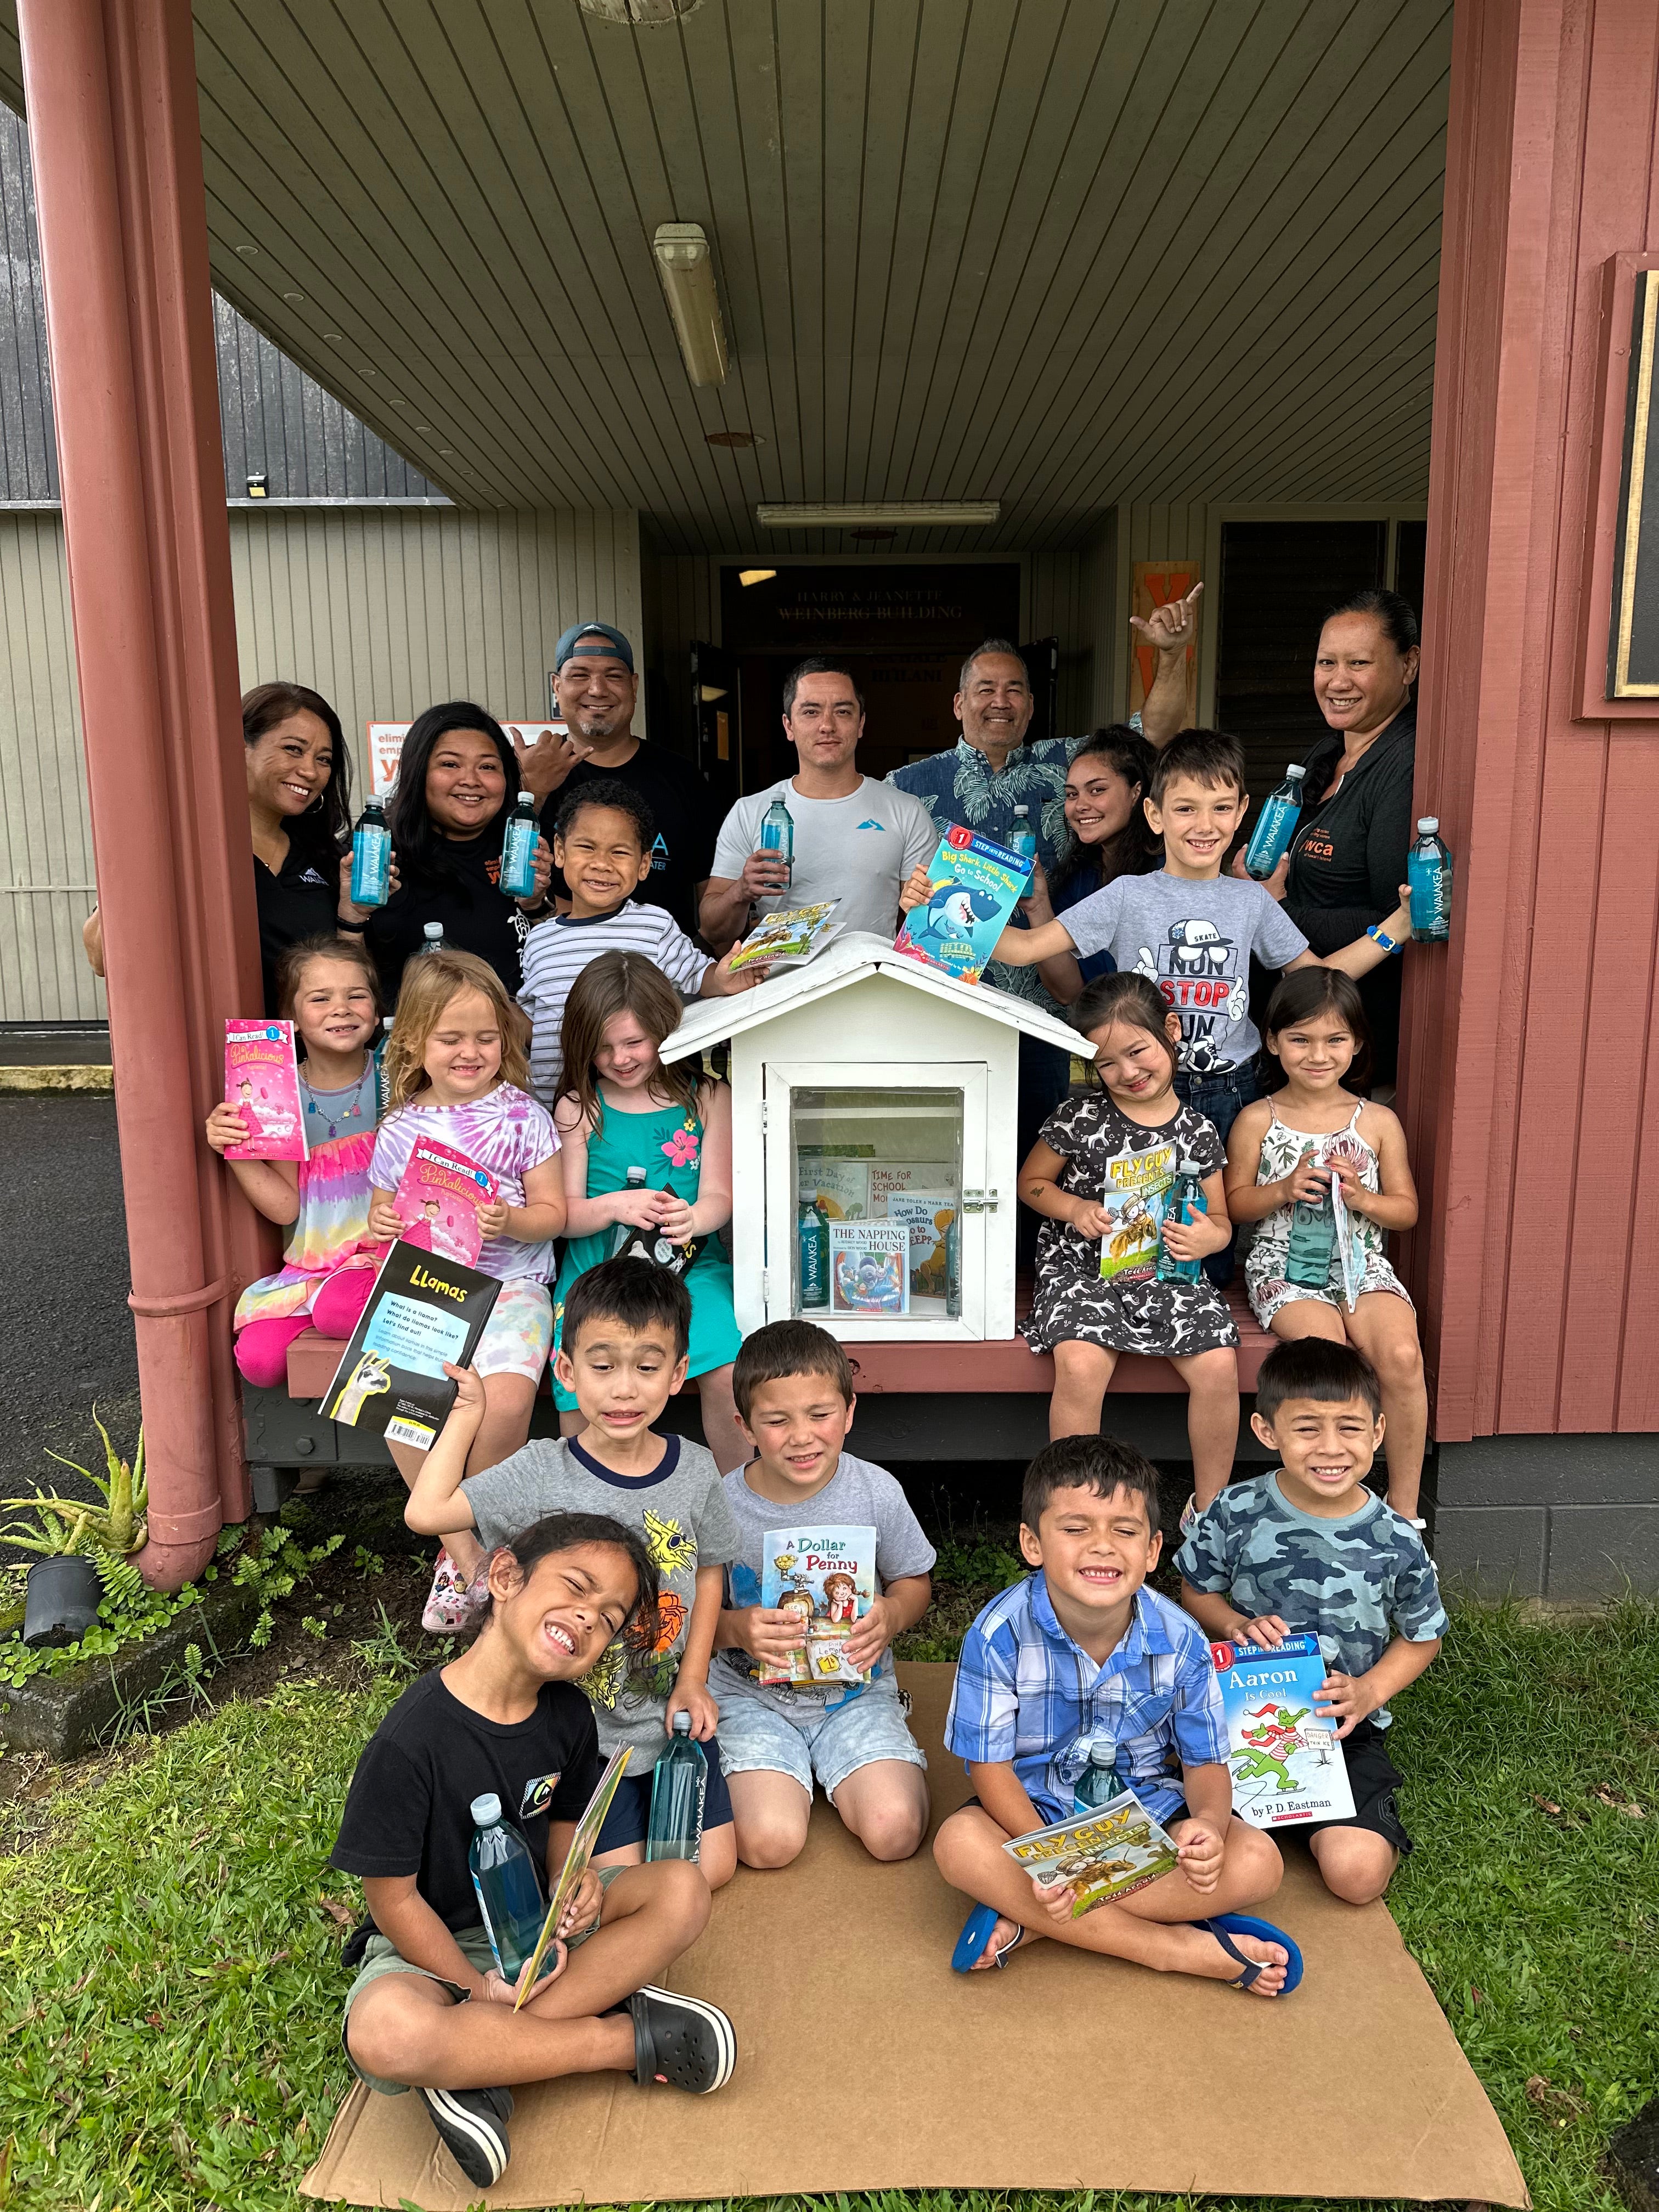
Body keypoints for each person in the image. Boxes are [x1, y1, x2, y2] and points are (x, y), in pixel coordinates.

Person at [332, 1510, 736, 2192]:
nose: (587, 1619)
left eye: (608, 1619)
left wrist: (575, 1881)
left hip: (537, 1930)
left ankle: (476, 2063)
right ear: (506, 1576)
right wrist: (469, 1982)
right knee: (387, 2033)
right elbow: (394, 1899)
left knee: (682, 1888)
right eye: (576, 1588)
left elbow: (564, 1830)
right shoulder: (410, 1741)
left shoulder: (571, 1717)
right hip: (433, 1946)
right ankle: (618, 2044)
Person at [962, 728, 1416, 1283]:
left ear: (1242, 810)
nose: (1205, 826)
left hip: (1232, 1088)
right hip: (1148, 1090)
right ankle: (1149, 1317)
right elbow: (1029, 946)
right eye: (1186, 809)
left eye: (1222, 808)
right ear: (1154, 815)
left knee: (1216, 1240)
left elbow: (1318, 977)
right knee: (1146, 1235)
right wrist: (938, 906)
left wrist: (1396, 928)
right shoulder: (1128, 894)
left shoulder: (1248, 900)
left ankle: (1207, 1323)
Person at [405, 1259, 743, 1889]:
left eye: (646, 1368)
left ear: (677, 1375)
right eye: (602, 1365)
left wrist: (694, 1680)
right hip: (578, 1741)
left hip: (668, 1720)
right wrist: (466, 1414)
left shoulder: (696, 1470)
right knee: (621, 1884)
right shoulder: (542, 1470)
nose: (624, 1390)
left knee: (713, 1869)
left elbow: (709, 1572)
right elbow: (426, 1512)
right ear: (565, 1372)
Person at [933, 1436, 1297, 1994]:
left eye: (1124, 1531)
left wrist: (1209, 1827)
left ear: (1152, 1551)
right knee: (958, 1845)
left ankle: (1037, 1927)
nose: (1102, 1547)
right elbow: (990, 1769)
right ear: (1033, 1543)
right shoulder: (997, 1634)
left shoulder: (1182, 1640)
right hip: (1036, 1814)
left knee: (1258, 1861)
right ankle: (1175, 1949)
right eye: (1076, 1529)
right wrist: (1050, 1861)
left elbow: (1204, 1763)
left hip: (1146, 1818)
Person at [1176, 1339, 1447, 1906]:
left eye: (1350, 1428)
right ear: (1267, 1430)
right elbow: (1196, 1589)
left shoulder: (1395, 1538)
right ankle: (1268, 1823)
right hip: (1241, 1721)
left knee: (1357, 1876)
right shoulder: (1235, 1511)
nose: (1331, 1448)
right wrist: (1229, 1624)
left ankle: (1322, 1821)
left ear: (1378, 1432)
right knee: (1203, 1847)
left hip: (1343, 1726)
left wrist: (1370, 1690)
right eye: (1307, 1429)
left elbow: (1424, 1636)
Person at [366, 951, 565, 1630]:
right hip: (428, 1283)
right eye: (452, 1039)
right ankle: (464, 1552)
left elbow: (554, 1214)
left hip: (513, 1282)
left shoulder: (522, 1117)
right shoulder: (399, 1128)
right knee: (392, 1392)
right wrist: (385, 1220)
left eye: (486, 1037)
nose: (471, 1052)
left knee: (506, 1403)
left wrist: (511, 1219)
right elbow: (381, 1213)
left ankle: (485, 1535)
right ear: (416, 1041)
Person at [712, 1320, 935, 1871]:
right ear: (745, 1427)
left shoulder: (876, 1491)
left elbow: (915, 1581)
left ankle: (846, 1764)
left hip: (856, 1693)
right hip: (750, 1697)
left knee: (895, 1831)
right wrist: (736, 1630)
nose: (802, 1435)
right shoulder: (719, 1505)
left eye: (820, 1414)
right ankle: (786, 1775)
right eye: (777, 1420)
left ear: (850, 1412)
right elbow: (691, 1615)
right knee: (768, 1843)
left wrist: (892, 1615)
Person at [1019, 973, 1239, 1510]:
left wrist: (1205, 1238)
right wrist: (1075, 1209)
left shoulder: (1198, 1131)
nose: (1127, 1072)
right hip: (1083, 1269)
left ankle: (1210, 1509)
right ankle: (1073, 1500)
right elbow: (1032, 1183)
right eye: (1106, 1063)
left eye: (1138, 1052)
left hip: (1166, 1270)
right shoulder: (1080, 1116)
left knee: (1218, 1364)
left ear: (1171, 1031)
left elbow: (1221, 1219)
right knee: (1082, 1361)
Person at [1224, 969, 1427, 1519]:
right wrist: (1285, 1188)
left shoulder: (1378, 1122)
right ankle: (1329, 1511)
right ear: (1272, 1041)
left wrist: (1362, 1196)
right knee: (1330, 1361)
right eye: (1300, 1039)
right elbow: (1236, 1204)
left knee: (1403, 1357)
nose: (1318, 1054)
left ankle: (1404, 1515)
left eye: (1335, 1039)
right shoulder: (1256, 1119)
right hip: (1284, 1266)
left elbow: (1406, 1211)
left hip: (1362, 1263)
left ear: (1357, 1043)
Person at [551, 952, 745, 1474]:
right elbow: (563, 1216)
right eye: (603, 1047)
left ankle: (738, 1505)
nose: (620, 1058)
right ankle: (588, 1504)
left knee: (729, 1370)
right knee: (580, 1377)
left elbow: (720, 1197)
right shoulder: (581, 1106)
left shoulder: (705, 1097)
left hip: (689, 1270)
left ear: (665, 1028)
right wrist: (617, 1205)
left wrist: (695, 1220)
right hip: (597, 1274)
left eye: (635, 1042)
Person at [1222, 590, 1421, 1087]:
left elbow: (1397, 915)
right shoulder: (1325, 755)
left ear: (1408, 666)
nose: (1338, 681)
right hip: (1286, 1031)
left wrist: (1278, 908)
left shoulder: (1405, 764)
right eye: (1326, 663)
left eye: (1359, 663)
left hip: (1342, 1053)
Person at [84, 680, 364, 1014]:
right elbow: (102, 957)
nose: (309, 771)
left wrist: (353, 916)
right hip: (206, 1050)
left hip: (303, 1059)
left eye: (324, 759)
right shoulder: (187, 847)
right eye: (293, 749)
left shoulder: (325, 857)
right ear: (239, 747)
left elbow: (346, 976)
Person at [206, 936, 387, 1434]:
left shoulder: (397, 1077)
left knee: (338, 1311)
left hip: (385, 1255)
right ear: (290, 1016)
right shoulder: (276, 1093)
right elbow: (286, 1209)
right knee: (261, 1361)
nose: (342, 1009)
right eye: (320, 998)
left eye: (357, 995)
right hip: (316, 1261)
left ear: (376, 1009)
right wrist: (235, 1151)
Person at [518, 781, 757, 1105]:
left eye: (619, 852)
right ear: (560, 851)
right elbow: (534, 1022)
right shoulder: (538, 939)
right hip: (549, 1107)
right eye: (586, 847)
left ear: (644, 864)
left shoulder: (653, 925)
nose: (602, 863)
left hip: (634, 1107)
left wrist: (725, 978)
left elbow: (701, 977)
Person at [699, 659, 935, 952]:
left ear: (861, 723)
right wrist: (741, 891)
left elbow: (928, 920)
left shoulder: (906, 812)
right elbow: (713, 931)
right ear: (789, 725)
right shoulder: (750, 812)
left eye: (843, 711)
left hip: (872, 987)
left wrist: (924, 901)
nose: (827, 725)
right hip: (780, 988)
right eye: (811, 712)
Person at [510, 623, 719, 941]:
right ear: (556, 686)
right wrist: (532, 792)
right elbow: (497, 882)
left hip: (670, 975)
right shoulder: (527, 775)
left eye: (614, 675)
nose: (597, 689)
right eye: (579, 675)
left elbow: (713, 900)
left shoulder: (682, 778)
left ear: (634, 686)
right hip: (564, 970)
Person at [363, 702, 553, 1005]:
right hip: (408, 1042)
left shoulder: (519, 847)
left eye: (488, 766)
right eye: (450, 764)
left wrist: (535, 906)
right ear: (418, 772)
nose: (471, 780)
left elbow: (553, 960)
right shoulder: (377, 850)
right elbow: (346, 962)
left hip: (511, 1042)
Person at [1023, 725, 1163, 1003]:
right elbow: (1069, 992)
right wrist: (1038, 907)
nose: (1080, 806)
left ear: (1137, 793)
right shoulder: (1081, 878)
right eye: (1072, 794)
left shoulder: (1168, 871)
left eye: (1097, 790)